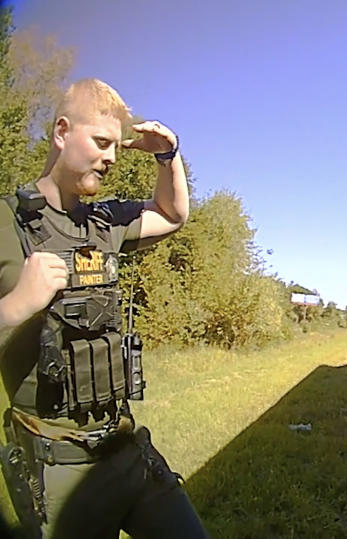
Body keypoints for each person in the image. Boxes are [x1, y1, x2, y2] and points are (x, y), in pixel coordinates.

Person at [0, 79, 207, 537]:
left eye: (116, 146)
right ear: (60, 132)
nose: (111, 157)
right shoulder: (5, 222)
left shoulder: (104, 221)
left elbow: (172, 215)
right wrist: (14, 306)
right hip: (59, 475)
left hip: (127, 452)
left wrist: (167, 155)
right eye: (100, 142)